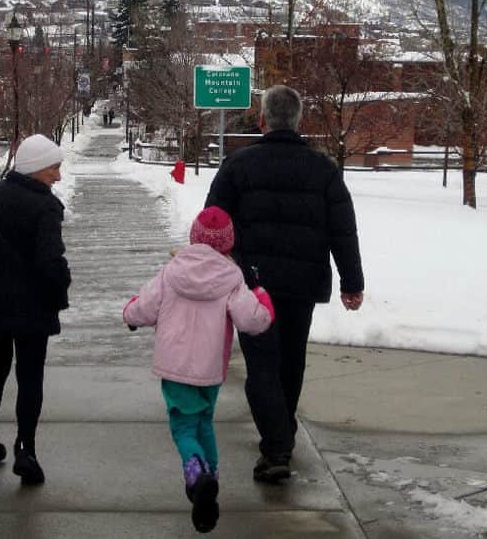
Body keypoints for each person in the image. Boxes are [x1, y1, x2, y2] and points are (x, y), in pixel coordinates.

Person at [204, 84, 364, 484]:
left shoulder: (238, 166)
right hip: (302, 285)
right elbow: (343, 230)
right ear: (299, 120)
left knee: (262, 366)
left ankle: (276, 445)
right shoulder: (324, 169)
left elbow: (213, 222)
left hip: (251, 285)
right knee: (291, 362)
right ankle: (282, 433)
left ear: (262, 120)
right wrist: (352, 281)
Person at [123, 206, 275, 533]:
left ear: (194, 237)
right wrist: (262, 297)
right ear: (228, 244)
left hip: (175, 367)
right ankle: (212, 479)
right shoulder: (233, 279)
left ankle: (196, 474)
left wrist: (129, 312)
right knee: (204, 420)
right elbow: (253, 320)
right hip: (210, 369)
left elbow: (144, 308)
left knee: (183, 427)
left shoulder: (172, 271)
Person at [0, 133, 71, 485]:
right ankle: (25, 450)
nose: (58, 176)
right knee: (30, 377)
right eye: (53, 169)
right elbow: (50, 260)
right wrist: (62, 286)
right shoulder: (45, 207)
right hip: (33, 307)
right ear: (35, 168)